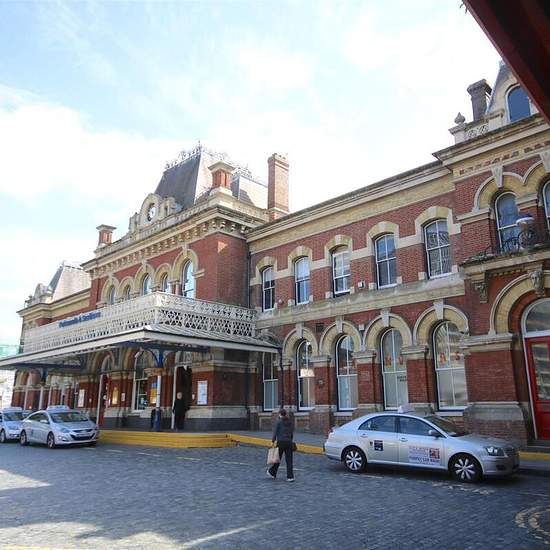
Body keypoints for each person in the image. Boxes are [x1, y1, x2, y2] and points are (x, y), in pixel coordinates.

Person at [267, 408, 295, 482]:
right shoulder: (290, 422)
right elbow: (291, 432)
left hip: (281, 442)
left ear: (280, 414)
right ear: (285, 414)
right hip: (289, 442)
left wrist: (272, 441)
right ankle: (290, 477)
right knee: (289, 461)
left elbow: (275, 433)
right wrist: (290, 439)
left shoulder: (278, 422)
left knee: (277, 459)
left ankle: (272, 472)